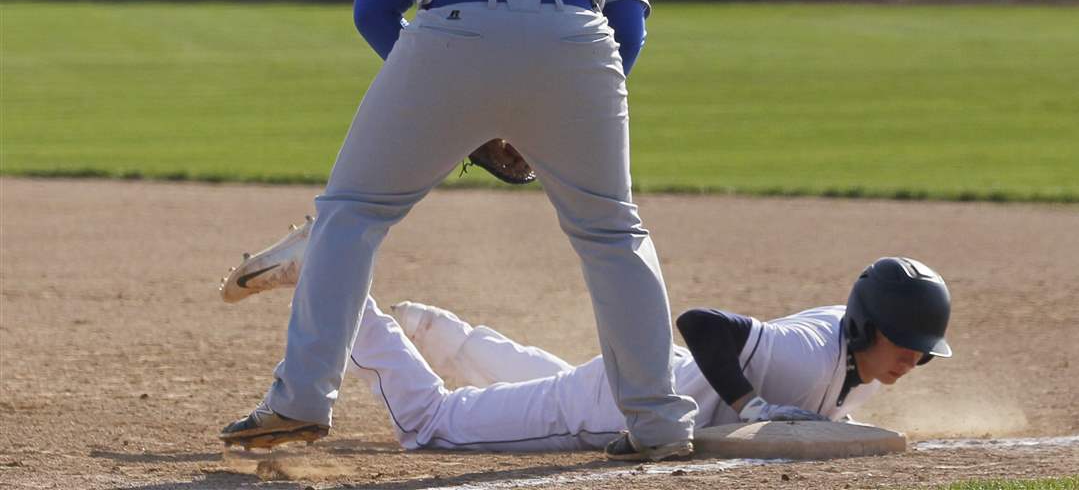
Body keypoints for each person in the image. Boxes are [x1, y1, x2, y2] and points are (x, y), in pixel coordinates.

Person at [220, 0, 697, 461]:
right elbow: (630, 28)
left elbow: (373, 8)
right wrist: (568, 105)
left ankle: (302, 399)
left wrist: (446, 103)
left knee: (350, 214)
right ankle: (660, 425)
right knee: (613, 234)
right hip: (578, 43)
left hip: (453, 30)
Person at [221, 249, 952, 454]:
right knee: (430, 424)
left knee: (549, 381)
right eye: (905, 345)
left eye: (922, 352)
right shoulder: (803, 352)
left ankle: (436, 331)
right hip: (608, 408)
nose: (911, 362)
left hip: (634, 381)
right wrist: (751, 404)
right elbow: (702, 322)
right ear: (863, 328)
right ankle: (332, 270)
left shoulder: (856, 348)